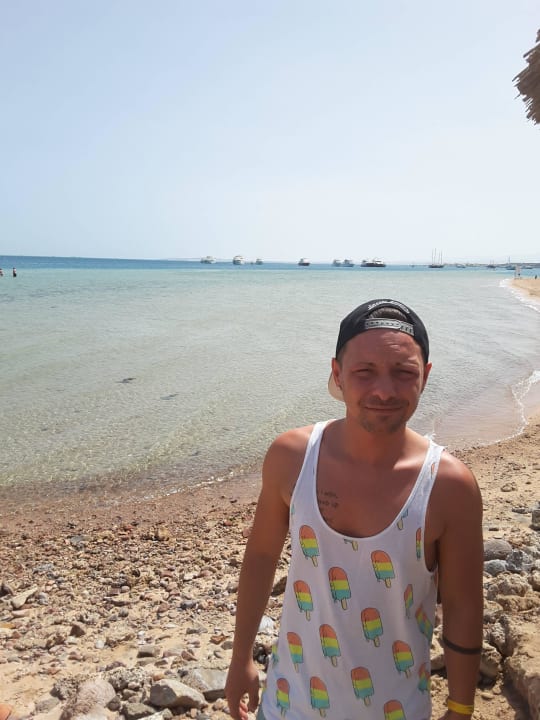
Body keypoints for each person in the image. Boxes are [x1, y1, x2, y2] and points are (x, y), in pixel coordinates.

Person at [225, 299, 484, 720]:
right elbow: (261, 556)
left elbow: (463, 604)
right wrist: (240, 659)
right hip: (289, 703)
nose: (384, 390)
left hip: (397, 709)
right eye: (365, 372)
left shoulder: (448, 486)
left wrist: (461, 706)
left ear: (425, 376)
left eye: (404, 372)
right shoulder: (293, 457)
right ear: (337, 374)